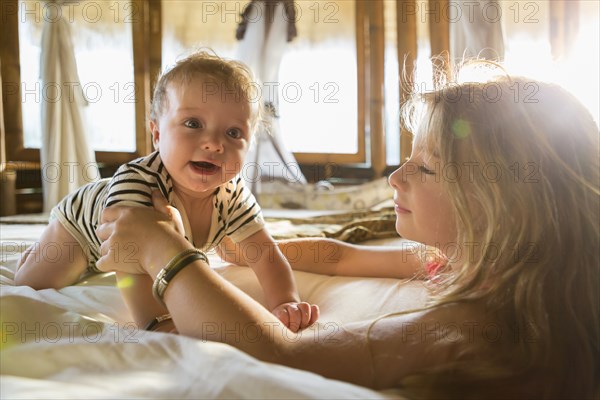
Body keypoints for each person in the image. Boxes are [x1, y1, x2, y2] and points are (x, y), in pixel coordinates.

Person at [94, 69, 599, 398]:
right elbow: (340, 258)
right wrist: (247, 252)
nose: (396, 179)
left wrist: (168, 248)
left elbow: (280, 356)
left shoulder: (485, 322)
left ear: (496, 202)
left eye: (423, 168)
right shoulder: (464, 259)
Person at [15, 51, 325, 332]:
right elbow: (129, 264)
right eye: (193, 123)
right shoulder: (138, 183)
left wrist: (284, 301)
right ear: (157, 133)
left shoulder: (233, 194)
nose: (215, 144)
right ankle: (33, 254)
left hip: (133, 243)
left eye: (233, 132)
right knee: (36, 281)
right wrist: (158, 322)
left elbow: (265, 253)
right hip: (82, 229)